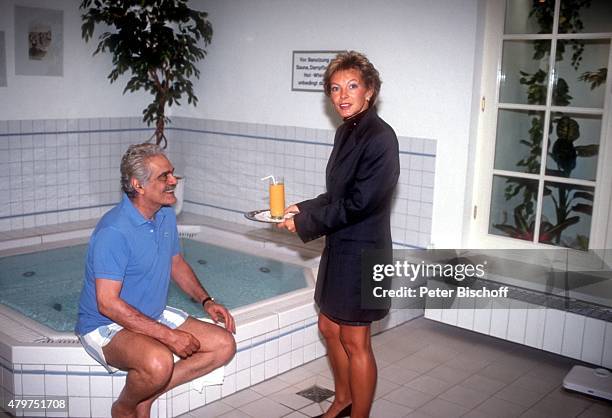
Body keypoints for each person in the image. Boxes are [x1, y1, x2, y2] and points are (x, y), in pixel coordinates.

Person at [278, 51, 400, 418]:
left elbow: (360, 203)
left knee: (355, 339)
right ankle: (343, 399)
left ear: (370, 91)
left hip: (364, 253)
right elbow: (339, 193)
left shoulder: (381, 138)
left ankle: (358, 414)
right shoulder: (348, 131)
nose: (343, 95)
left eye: (352, 86)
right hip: (342, 246)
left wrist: (305, 225)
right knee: (329, 327)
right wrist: (304, 208)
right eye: (335, 88)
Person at [75, 143, 236, 418]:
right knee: (158, 362)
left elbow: (176, 264)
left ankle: (147, 396)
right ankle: (124, 408)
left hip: (151, 312)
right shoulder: (113, 231)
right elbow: (107, 304)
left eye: (172, 173)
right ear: (138, 185)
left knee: (224, 345)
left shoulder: (164, 215)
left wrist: (206, 301)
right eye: (164, 176)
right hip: (106, 325)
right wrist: (168, 336)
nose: (174, 181)